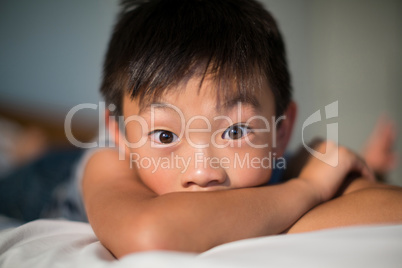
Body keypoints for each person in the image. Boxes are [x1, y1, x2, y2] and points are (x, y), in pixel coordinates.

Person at [80, 0, 402, 258]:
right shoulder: (110, 161)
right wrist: (309, 191)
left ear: (281, 132)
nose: (203, 172)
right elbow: (151, 235)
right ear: (121, 135)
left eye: (235, 131)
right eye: (165, 135)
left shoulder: (300, 162)